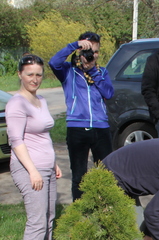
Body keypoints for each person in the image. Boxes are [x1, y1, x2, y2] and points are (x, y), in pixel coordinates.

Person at [5, 54, 62, 240]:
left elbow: (43, 135)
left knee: (49, 217)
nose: (35, 79)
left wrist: (53, 162)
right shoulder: (16, 104)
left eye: (39, 74)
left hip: (46, 166)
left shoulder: (41, 100)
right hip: (30, 168)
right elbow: (16, 141)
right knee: (37, 220)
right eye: (30, 74)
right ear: (20, 74)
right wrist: (33, 171)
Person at [49, 32, 114, 201]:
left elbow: (109, 93)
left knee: (106, 172)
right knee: (79, 175)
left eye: (96, 52)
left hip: (101, 128)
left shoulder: (102, 72)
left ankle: (105, 207)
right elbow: (53, 62)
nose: (92, 55)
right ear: (80, 51)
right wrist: (74, 45)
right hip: (77, 128)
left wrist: (92, 71)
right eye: (88, 51)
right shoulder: (68, 71)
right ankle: (80, 210)